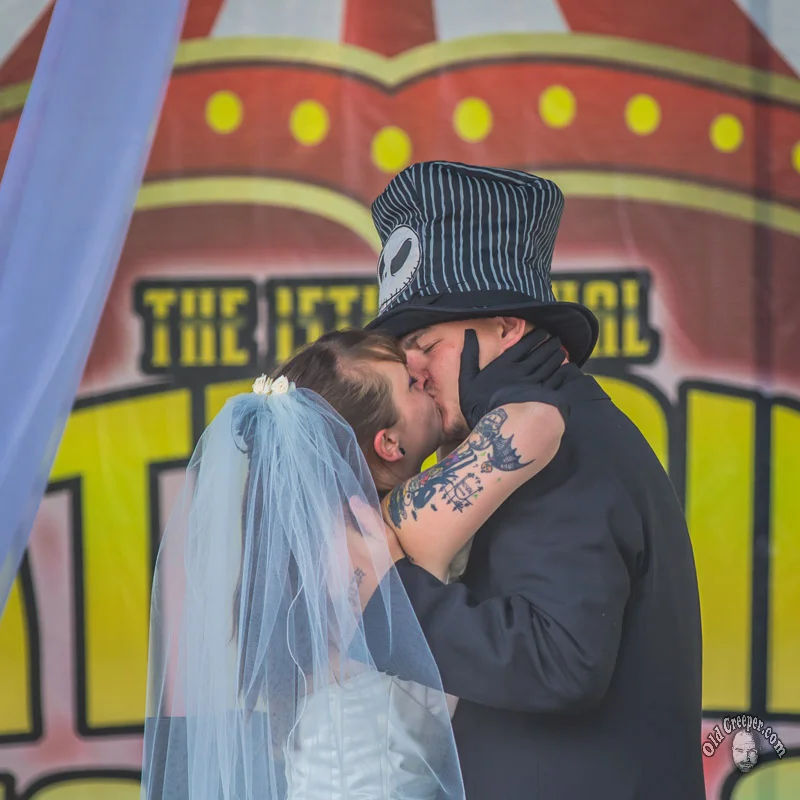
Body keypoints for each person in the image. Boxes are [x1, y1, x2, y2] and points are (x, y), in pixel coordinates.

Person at [364, 161, 706, 799]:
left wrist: (378, 600)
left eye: (427, 344)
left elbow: (561, 660)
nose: (413, 370)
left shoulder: (553, 440)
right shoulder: (556, 423)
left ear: (507, 327)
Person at [141, 325, 572, 799]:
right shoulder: (392, 527)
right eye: (411, 384)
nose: (424, 378)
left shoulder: (316, 540)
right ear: (389, 444)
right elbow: (539, 422)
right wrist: (488, 388)